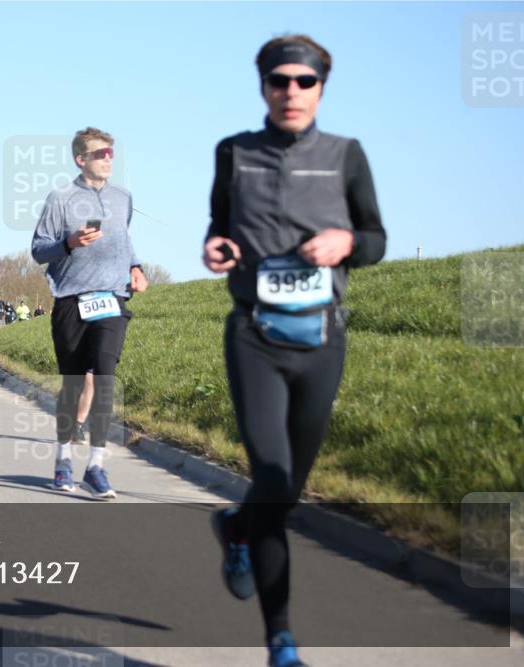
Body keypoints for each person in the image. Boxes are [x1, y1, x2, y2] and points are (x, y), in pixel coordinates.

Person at [203, 35, 386, 667]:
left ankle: (236, 526)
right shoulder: (234, 153)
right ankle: (281, 641)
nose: (291, 92)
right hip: (255, 334)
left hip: (320, 338)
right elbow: (217, 227)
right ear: (263, 86)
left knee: (286, 491)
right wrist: (215, 249)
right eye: (280, 80)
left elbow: (376, 237)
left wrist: (345, 243)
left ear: (321, 88)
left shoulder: (346, 156)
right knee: (274, 479)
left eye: (305, 82)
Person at [31, 126, 148, 499]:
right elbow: (38, 250)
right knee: (74, 382)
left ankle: (96, 465)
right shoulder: (60, 198)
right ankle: (64, 459)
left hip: (111, 299)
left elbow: (124, 239)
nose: (109, 159)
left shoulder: (123, 198)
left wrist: (136, 267)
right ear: (81, 159)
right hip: (70, 300)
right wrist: (69, 242)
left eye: (112, 152)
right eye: (101, 153)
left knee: (105, 374)